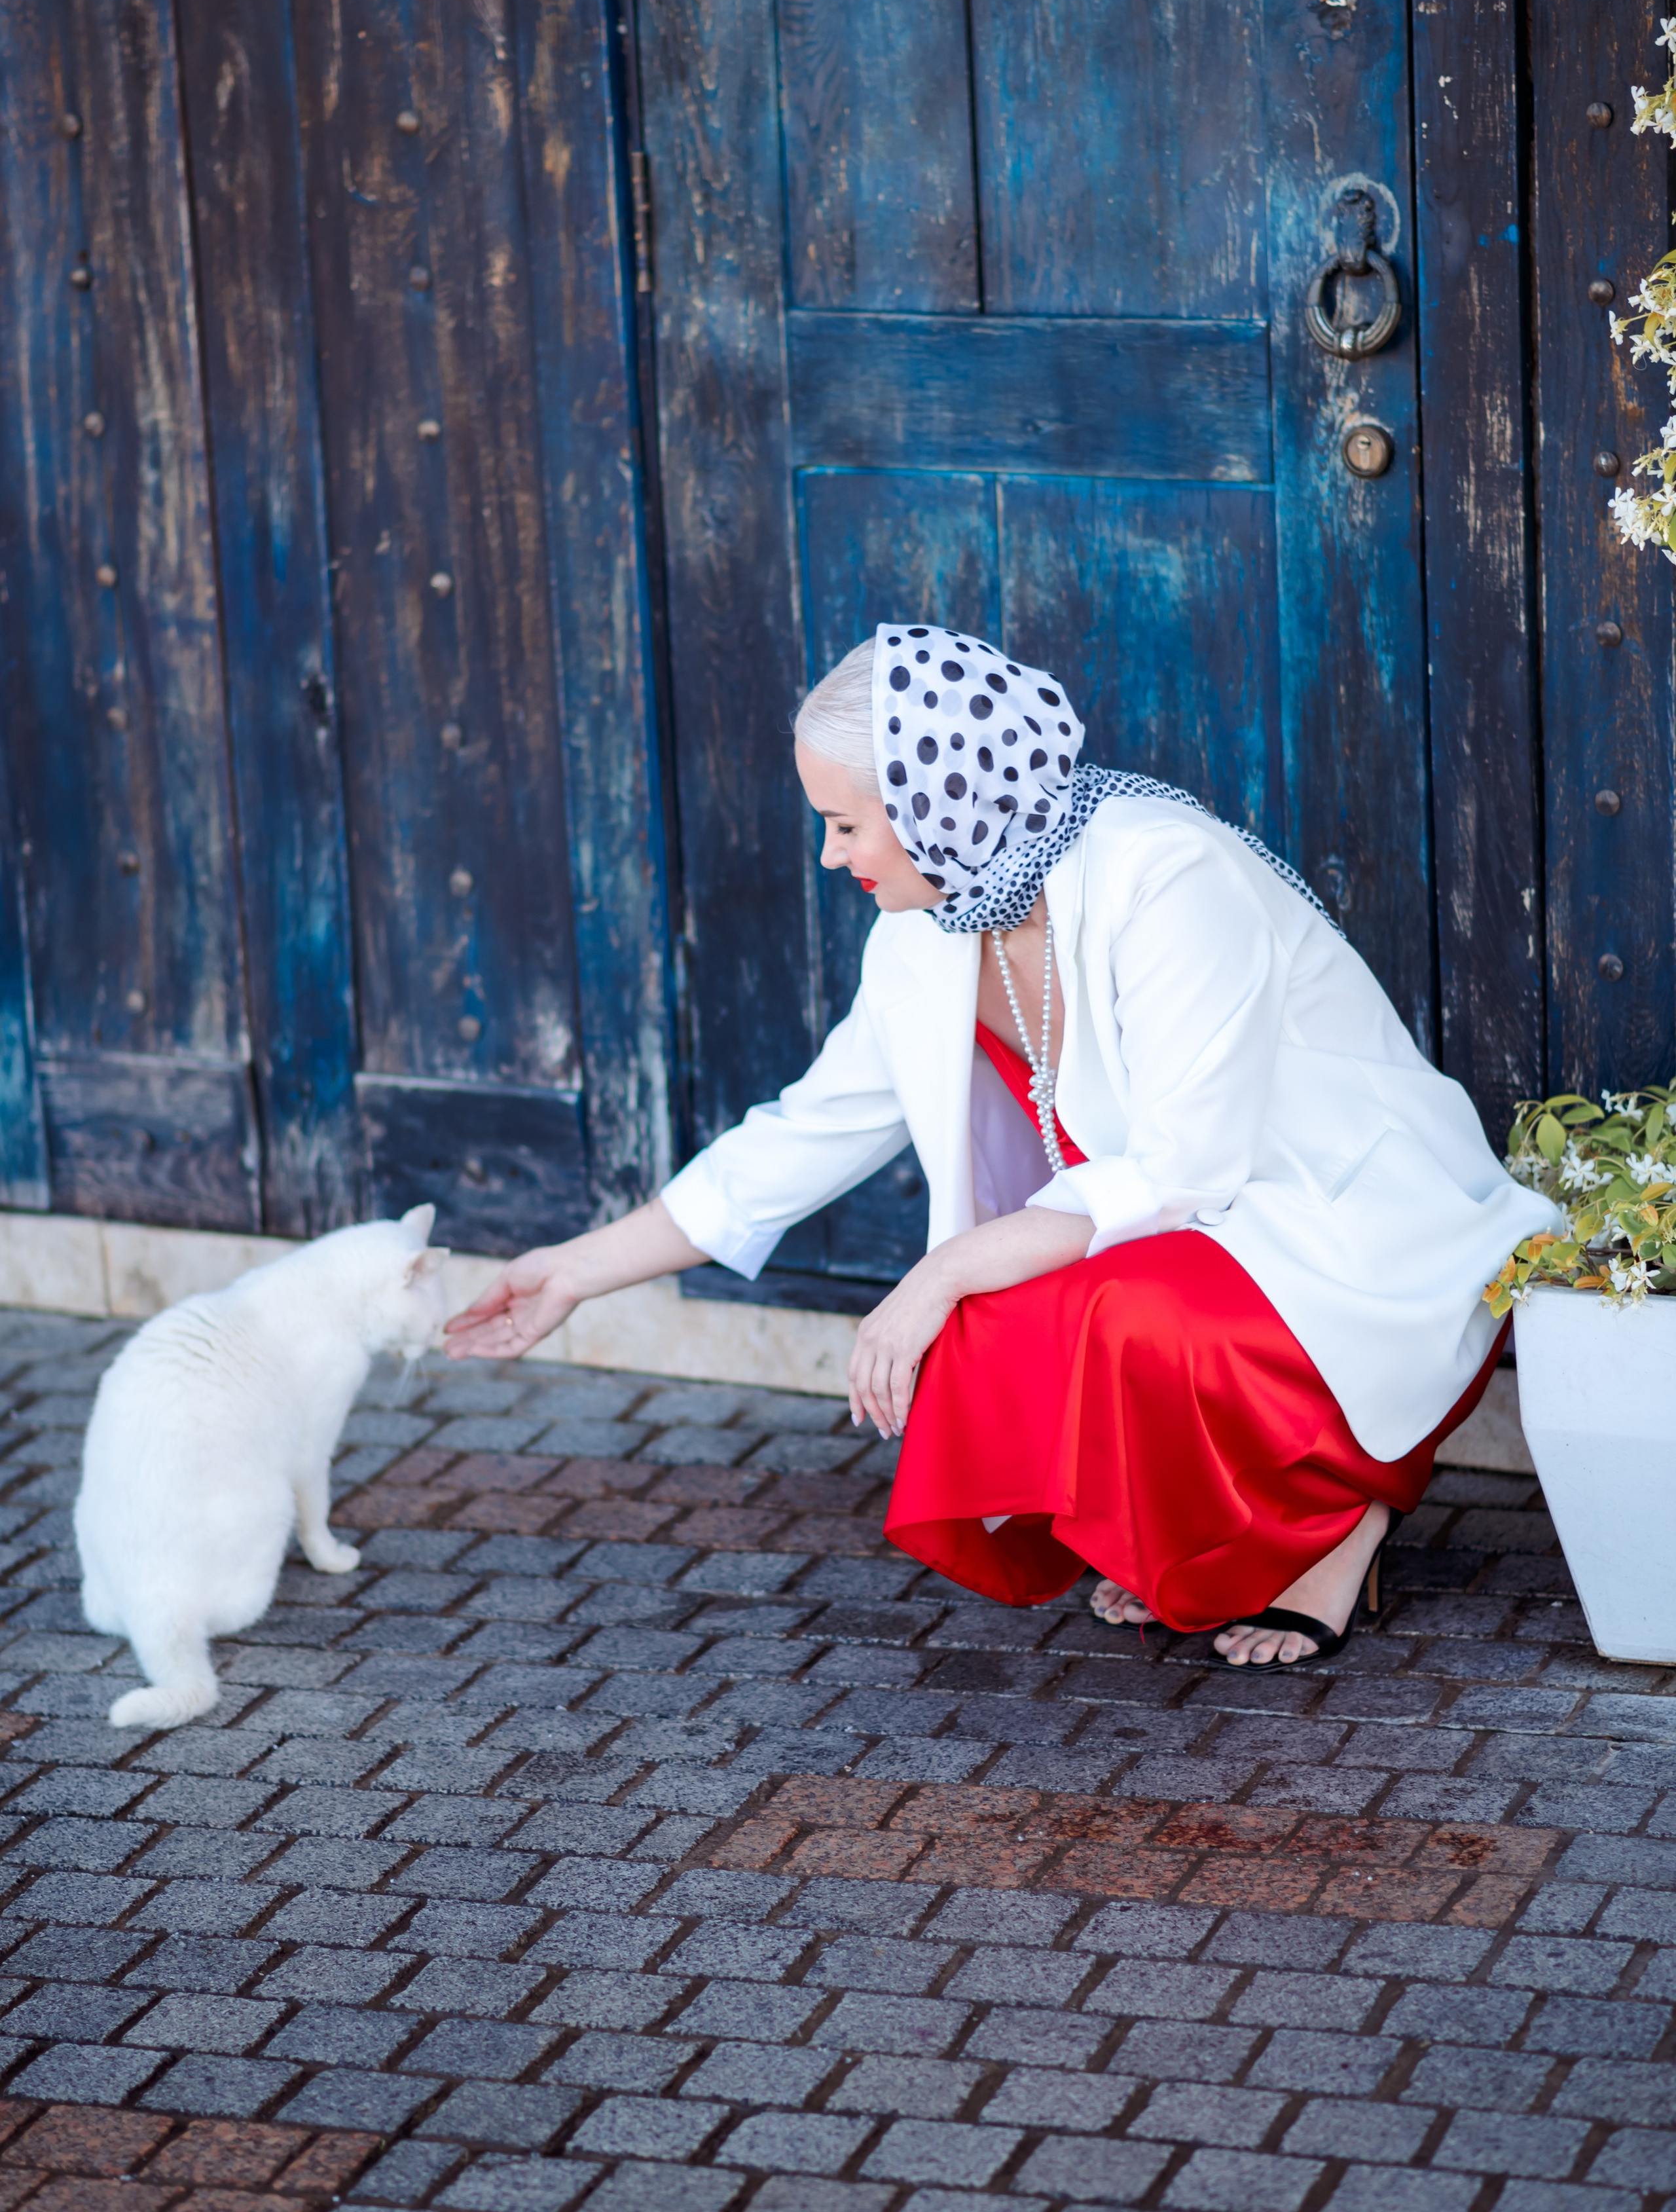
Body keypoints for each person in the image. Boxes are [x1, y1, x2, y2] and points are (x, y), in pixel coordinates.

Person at [446, 625, 1549, 1670]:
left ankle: (1339, 1519)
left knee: (1104, 1307)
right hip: (1189, 1234)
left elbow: (1187, 1172)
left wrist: (941, 1269)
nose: (832, 859)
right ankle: (1204, 1545)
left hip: (1338, 1220)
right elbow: (804, 1134)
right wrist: (571, 1274)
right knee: (1006, 1309)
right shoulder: (927, 931)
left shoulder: (1164, 874)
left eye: (846, 824)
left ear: (940, 797)